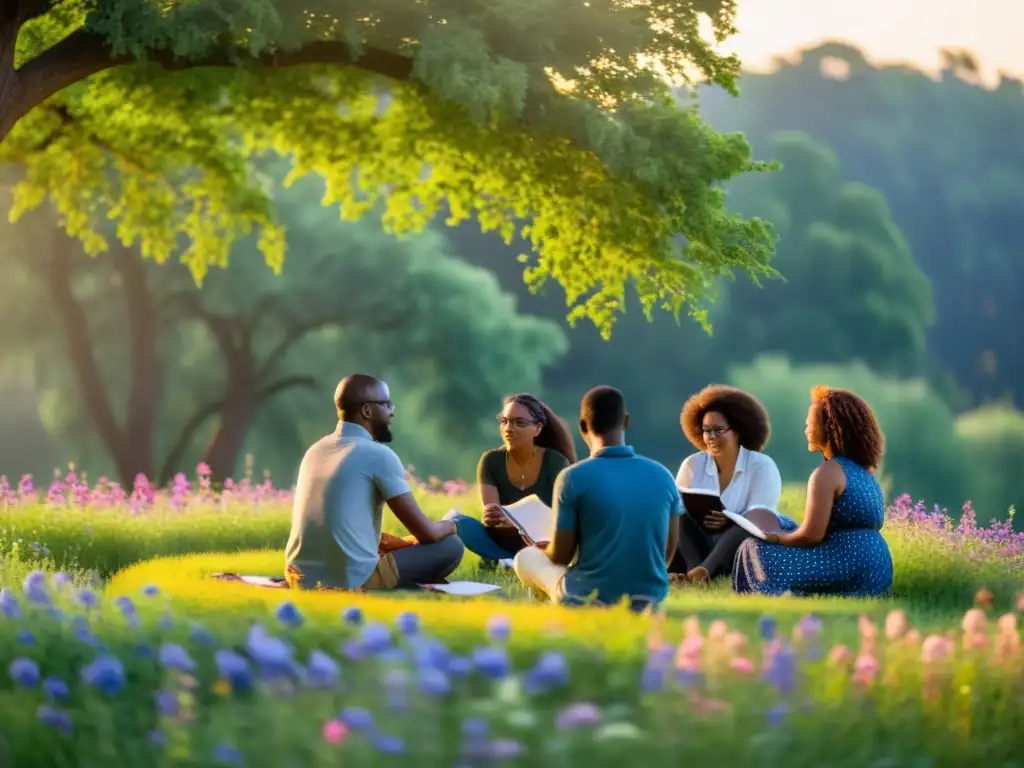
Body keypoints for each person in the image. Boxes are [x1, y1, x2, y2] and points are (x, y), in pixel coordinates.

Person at [284, 374, 464, 591]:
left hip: (298, 576)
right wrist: (453, 524)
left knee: (388, 543)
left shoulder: (315, 450)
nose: (392, 411)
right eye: (386, 404)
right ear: (367, 411)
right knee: (451, 546)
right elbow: (427, 533)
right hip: (352, 579)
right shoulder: (378, 455)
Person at [513, 386, 681, 612]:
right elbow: (666, 555)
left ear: (582, 426)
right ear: (626, 421)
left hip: (587, 591)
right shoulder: (663, 475)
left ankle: (579, 604)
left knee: (526, 558)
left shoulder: (573, 477)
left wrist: (547, 549)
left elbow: (561, 557)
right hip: (651, 593)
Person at [733, 386, 894, 597]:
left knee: (754, 547)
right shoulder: (865, 472)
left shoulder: (827, 473)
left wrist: (775, 539)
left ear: (830, 427)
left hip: (847, 565)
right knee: (782, 521)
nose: (806, 429)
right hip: (877, 568)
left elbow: (812, 536)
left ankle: (777, 593)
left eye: (810, 423)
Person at [670, 385, 786, 584]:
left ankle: (703, 572)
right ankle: (693, 573)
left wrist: (730, 520)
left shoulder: (761, 466)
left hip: (741, 548)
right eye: (706, 431)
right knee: (678, 515)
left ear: (738, 430)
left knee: (744, 527)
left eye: (718, 430)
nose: (711, 437)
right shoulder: (692, 464)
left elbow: (762, 520)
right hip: (699, 545)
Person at [449, 394, 576, 568]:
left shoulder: (556, 462)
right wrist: (493, 517)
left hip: (540, 543)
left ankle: (514, 561)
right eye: (505, 421)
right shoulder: (490, 460)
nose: (509, 428)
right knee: (459, 522)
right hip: (501, 540)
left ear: (537, 428)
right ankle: (503, 559)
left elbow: (560, 518)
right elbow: (492, 519)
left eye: (520, 423)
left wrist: (516, 523)